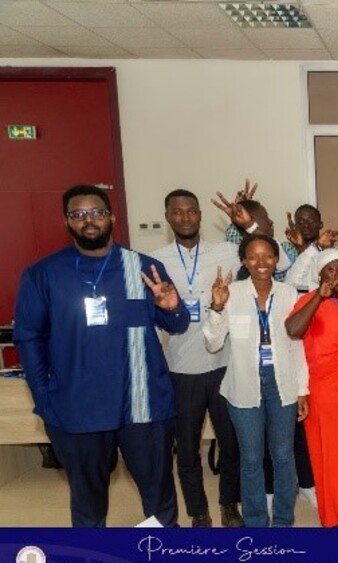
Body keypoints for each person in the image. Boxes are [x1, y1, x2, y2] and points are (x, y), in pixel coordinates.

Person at [14, 184, 188, 527]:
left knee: (160, 501)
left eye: (96, 212)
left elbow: (178, 323)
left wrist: (173, 307)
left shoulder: (143, 269)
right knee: (88, 505)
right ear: (67, 222)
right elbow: (29, 338)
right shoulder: (43, 274)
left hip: (144, 407)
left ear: (111, 218)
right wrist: (45, 400)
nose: (88, 220)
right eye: (78, 214)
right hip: (78, 410)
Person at [150, 188, 243, 528]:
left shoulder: (228, 252)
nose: (185, 217)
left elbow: (273, 259)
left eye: (191, 211)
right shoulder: (155, 261)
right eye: (178, 212)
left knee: (230, 443)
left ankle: (230, 504)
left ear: (200, 215)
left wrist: (247, 225)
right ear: (168, 217)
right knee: (187, 449)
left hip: (223, 364)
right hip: (181, 367)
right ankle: (198, 511)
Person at [204, 234, 309, 527]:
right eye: (253, 256)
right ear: (244, 261)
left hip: (282, 383)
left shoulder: (289, 293)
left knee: (283, 456)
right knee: (251, 459)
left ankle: (283, 522)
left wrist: (302, 389)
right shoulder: (230, 292)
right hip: (243, 385)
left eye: (268, 256)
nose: (261, 262)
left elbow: (296, 344)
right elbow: (212, 343)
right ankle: (255, 524)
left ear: (277, 260)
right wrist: (216, 307)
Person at [285, 250, 338, 527]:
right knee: (328, 453)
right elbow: (294, 330)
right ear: (319, 273)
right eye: (331, 270)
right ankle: (331, 517)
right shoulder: (309, 299)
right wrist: (319, 295)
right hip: (325, 390)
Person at [281, 204, 338, 292]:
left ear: (320, 224)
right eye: (300, 222)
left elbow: (320, 283)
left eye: (311, 221)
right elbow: (286, 283)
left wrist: (303, 248)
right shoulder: (285, 249)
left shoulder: (334, 253)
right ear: (295, 225)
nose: (306, 225)